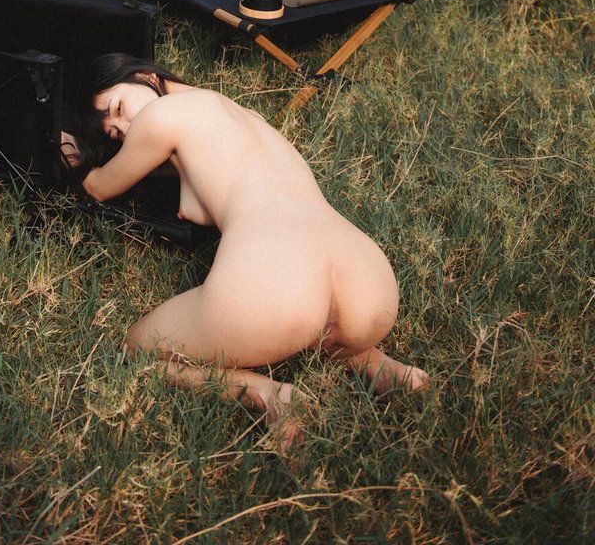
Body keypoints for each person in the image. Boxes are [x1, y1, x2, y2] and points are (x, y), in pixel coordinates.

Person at [70, 53, 429, 445]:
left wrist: (71, 151)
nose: (127, 128)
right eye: (116, 135)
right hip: (368, 280)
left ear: (143, 74)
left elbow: (98, 187)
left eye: (118, 109)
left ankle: (265, 393)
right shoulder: (244, 116)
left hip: (277, 288)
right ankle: (382, 366)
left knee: (137, 347)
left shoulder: (160, 116)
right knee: (318, 321)